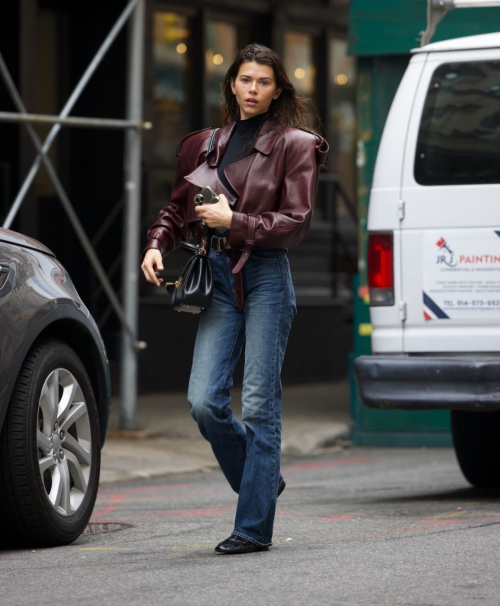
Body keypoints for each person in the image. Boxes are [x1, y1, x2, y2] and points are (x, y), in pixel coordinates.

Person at [141, 43, 328, 554]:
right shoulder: (204, 143)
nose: (252, 89)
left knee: (261, 405)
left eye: (263, 82)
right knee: (203, 402)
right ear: (231, 84)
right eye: (244, 79)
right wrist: (156, 245)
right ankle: (261, 477)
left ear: (277, 89)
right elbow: (177, 208)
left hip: (265, 274)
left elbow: (297, 222)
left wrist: (236, 221)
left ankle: (252, 527)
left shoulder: (295, 144)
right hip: (218, 276)